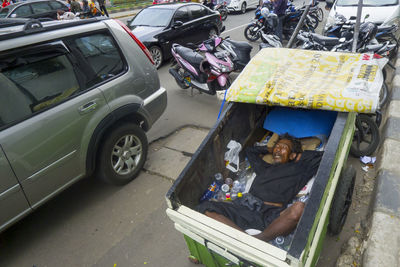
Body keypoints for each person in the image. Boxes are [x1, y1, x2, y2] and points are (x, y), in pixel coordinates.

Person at [197, 134, 323, 242]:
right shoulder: (264, 168)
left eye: (284, 148)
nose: (278, 150)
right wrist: (269, 149)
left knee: (299, 209)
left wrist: (299, 156)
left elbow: (324, 156)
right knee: (205, 207)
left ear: (292, 155)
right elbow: (250, 151)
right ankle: (246, 239)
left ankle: (259, 239)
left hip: (270, 215)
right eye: (277, 147)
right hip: (245, 207)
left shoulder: (301, 168)